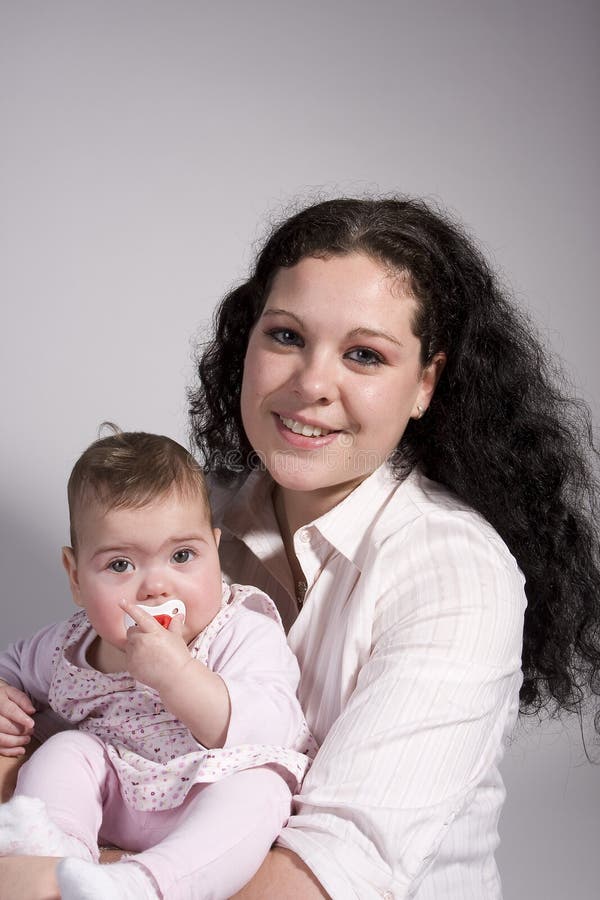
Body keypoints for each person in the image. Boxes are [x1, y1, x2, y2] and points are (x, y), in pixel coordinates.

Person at [186, 197, 600, 899]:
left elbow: (324, 875)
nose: (312, 384)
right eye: (286, 336)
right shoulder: (196, 519)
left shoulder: (456, 571)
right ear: (246, 341)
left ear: (426, 384)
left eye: (364, 355)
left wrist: (87, 873)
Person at [0, 428, 313, 900]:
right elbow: (10, 669)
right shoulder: (69, 646)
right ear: (76, 577)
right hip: (114, 798)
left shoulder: (237, 626)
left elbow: (276, 728)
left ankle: (145, 886)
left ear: (214, 548)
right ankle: (50, 861)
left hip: (201, 798)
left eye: (182, 556)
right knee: (66, 751)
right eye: (121, 565)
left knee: (262, 789)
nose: (155, 587)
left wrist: (179, 676)